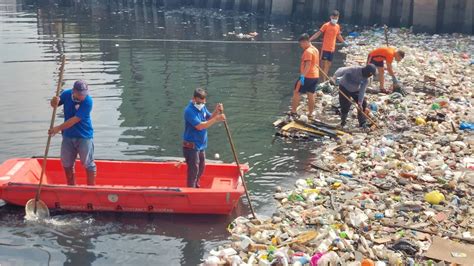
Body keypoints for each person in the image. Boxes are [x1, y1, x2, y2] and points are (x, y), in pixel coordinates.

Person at [49, 80, 96, 186]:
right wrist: (54, 101)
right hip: (68, 135)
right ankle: (71, 187)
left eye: (84, 94)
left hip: (84, 136)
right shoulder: (66, 94)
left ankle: (91, 189)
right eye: (80, 94)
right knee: (67, 164)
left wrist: (58, 128)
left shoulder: (88, 101)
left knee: (88, 163)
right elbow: (54, 105)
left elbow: (75, 119)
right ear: (73, 91)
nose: (82, 96)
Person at [183, 88, 226, 188]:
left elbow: (208, 118)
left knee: (201, 168)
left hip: (201, 145)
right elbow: (200, 126)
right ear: (194, 99)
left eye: (203, 102)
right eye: (199, 102)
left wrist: (216, 111)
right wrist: (216, 119)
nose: (202, 104)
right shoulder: (189, 111)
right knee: (194, 170)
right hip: (191, 147)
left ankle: (196, 186)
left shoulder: (202, 107)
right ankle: (191, 190)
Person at [332, 64, 377, 128]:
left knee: (363, 104)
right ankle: (343, 121)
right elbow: (341, 70)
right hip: (344, 87)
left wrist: (360, 103)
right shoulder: (354, 69)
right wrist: (334, 77)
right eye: (370, 74)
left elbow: (362, 91)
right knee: (345, 106)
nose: (370, 75)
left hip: (355, 90)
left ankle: (362, 122)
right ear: (366, 71)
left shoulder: (366, 80)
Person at [309, 10, 347, 81]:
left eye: (336, 18)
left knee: (328, 66)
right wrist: (310, 39)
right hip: (325, 49)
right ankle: (322, 80)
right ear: (330, 17)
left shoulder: (337, 26)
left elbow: (338, 35)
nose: (334, 20)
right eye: (333, 18)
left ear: (338, 18)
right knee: (323, 65)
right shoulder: (326, 25)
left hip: (332, 49)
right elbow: (318, 33)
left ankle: (324, 80)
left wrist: (344, 42)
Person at [290, 33, 319, 120]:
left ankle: (293, 111)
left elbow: (308, 65)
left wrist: (302, 76)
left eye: (301, 43)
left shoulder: (308, 51)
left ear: (305, 41)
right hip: (315, 76)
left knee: (296, 92)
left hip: (307, 76)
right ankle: (310, 113)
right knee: (311, 94)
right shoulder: (315, 50)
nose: (301, 46)